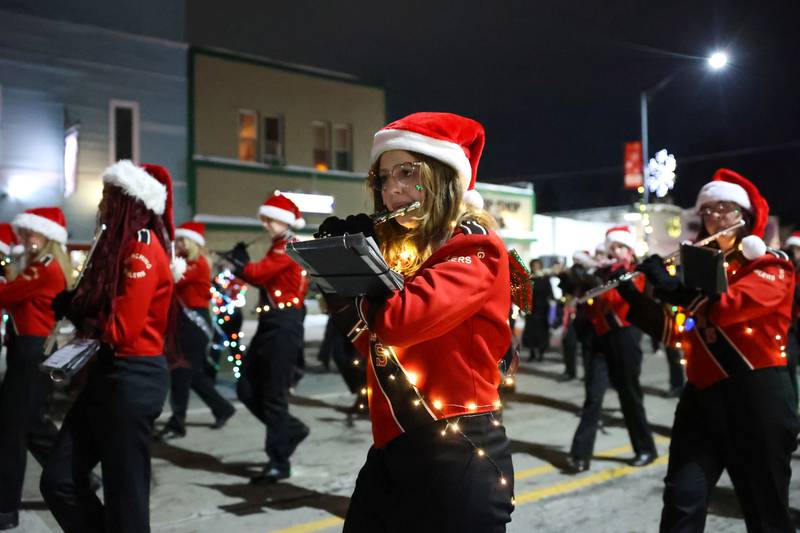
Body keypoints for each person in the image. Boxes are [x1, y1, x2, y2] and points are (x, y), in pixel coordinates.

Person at [318, 112, 515, 532]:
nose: (392, 189)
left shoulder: (476, 247)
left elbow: (398, 322)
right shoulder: (404, 258)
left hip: (459, 454)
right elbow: (373, 348)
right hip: (394, 446)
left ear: (443, 177)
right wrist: (336, 266)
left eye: (407, 172)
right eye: (384, 178)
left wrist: (357, 267)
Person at [619, 168, 800, 532]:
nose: (716, 217)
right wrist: (632, 299)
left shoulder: (770, 264)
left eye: (726, 209)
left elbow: (728, 307)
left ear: (745, 218)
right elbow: (681, 331)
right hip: (700, 401)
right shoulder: (697, 268)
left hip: (756, 399)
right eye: (708, 210)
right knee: (681, 506)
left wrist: (674, 288)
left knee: (766, 516)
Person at [40, 160, 177, 533]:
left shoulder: (142, 249)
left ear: (127, 201)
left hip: (133, 378)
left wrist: (83, 313)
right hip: (108, 375)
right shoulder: (120, 248)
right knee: (58, 481)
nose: (101, 205)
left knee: (125, 500)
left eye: (107, 196)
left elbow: (122, 331)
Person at [226, 193, 310, 484]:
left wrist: (240, 263)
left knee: (273, 395)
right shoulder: (278, 245)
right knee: (246, 388)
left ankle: (279, 461)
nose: (265, 224)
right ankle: (290, 429)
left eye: (270, 219)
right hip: (270, 323)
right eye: (264, 219)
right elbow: (258, 275)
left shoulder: (288, 246)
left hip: (283, 326)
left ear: (285, 221)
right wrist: (241, 263)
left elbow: (259, 274)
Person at [0, 209, 71, 530]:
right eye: (24, 232)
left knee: (10, 429)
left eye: (33, 233)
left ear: (49, 236)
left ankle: (5, 507)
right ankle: (76, 476)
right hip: (31, 349)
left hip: (31, 351)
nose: (26, 238)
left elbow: (6, 295)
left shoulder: (44, 267)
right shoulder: (40, 266)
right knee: (30, 425)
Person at [567, 226, 658, 472]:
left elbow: (630, 300)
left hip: (625, 335)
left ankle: (645, 449)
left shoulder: (636, 272)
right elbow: (576, 283)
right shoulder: (602, 273)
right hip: (600, 338)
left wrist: (614, 271)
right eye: (613, 248)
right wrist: (584, 267)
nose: (616, 252)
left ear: (629, 250)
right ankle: (580, 455)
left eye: (621, 247)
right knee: (593, 397)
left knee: (629, 395)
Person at [158, 221, 235, 440]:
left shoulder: (198, 263)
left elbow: (172, 279)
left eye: (183, 240)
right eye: (178, 239)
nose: (178, 243)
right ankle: (222, 408)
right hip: (183, 322)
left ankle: (177, 422)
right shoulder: (183, 262)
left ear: (193, 242)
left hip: (193, 323)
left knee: (181, 372)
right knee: (192, 374)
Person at [782, 230, 800, 409]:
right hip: (787, 330)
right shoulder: (785, 269)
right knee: (787, 369)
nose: (792, 253)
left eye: (795, 249)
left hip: (794, 328)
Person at [523, 258, 554, 361]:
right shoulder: (528, 278)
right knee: (531, 332)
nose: (536, 267)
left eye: (538, 265)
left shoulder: (545, 278)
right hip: (531, 310)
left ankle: (541, 353)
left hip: (542, 310)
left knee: (542, 332)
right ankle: (532, 352)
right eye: (534, 265)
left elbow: (550, 293)